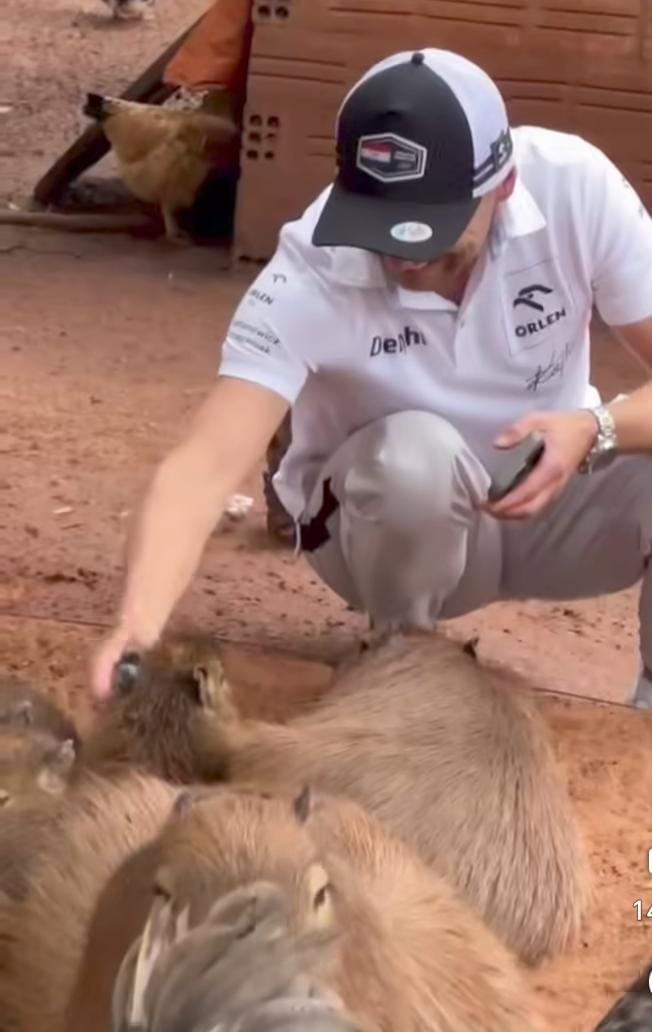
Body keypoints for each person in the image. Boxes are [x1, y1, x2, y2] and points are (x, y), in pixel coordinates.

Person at [91, 47, 652, 708]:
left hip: (546, 499)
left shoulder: (575, 189)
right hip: (380, 531)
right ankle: (399, 668)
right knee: (414, 457)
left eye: (432, 230)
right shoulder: (314, 265)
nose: (403, 257)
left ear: (502, 187)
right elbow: (204, 466)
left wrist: (596, 426)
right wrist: (137, 626)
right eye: (381, 224)